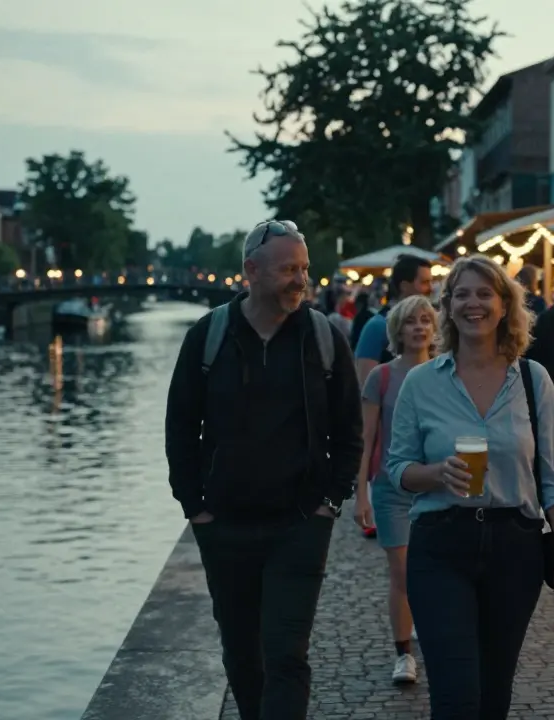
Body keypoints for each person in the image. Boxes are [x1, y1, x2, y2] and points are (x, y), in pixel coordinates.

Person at [164, 219, 363, 720]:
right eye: (288, 269)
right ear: (251, 271)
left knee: (286, 653)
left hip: (300, 523)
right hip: (225, 525)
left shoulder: (323, 338)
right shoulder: (208, 337)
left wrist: (330, 501)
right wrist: (196, 507)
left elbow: (349, 428)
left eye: (304, 268)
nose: (301, 279)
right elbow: (180, 426)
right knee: (242, 653)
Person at [386, 254, 554, 719]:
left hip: (514, 546)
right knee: (456, 696)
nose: (473, 304)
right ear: (447, 307)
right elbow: (397, 468)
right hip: (441, 544)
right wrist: (435, 474)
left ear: (504, 305)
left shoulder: (533, 381)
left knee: (494, 694)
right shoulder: (420, 382)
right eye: (461, 294)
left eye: (484, 294)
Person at [353, 294, 438, 685]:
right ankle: (403, 654)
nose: (419, 327)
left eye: (425, 320)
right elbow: (366, 438)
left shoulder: (444, 373)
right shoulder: (381, 377)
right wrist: (360, 494)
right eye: (410, 322)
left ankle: (432, 629)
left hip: (436, 486)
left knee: (436, 570)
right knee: (402, 572)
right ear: (397, 331)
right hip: (390, 488)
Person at [355, 254, 434, 382]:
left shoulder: (430, 325)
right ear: (404, 286)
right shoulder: (377, 327)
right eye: (425, 282)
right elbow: (364, 384)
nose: (431, 288)